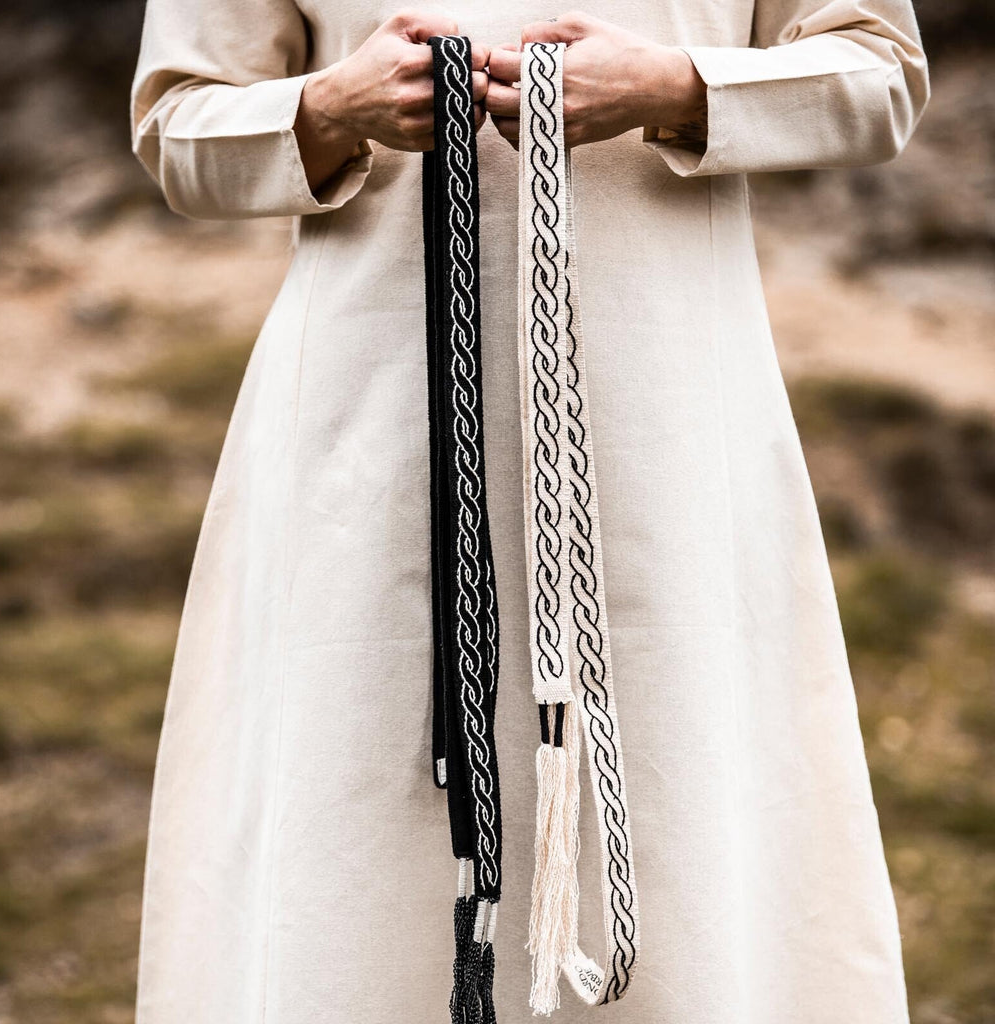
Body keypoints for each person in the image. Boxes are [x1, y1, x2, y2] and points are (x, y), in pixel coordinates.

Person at [129, 2, 929, 1021]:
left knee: (687, 804)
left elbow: (880, 77)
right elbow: (176, 128)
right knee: (354, 842)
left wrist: (676, 87)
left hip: (665, 431)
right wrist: (330, 106)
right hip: (371, 434)